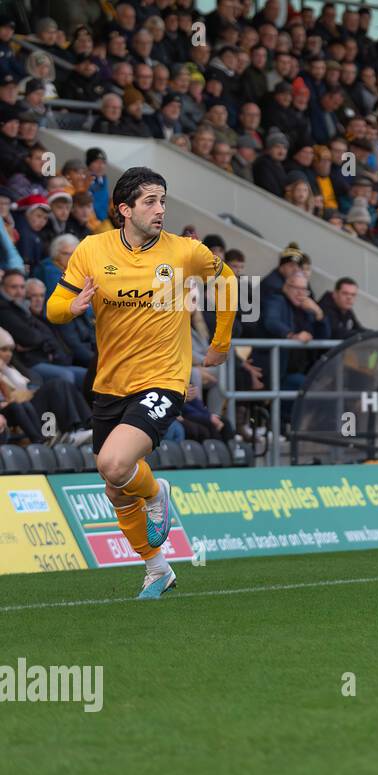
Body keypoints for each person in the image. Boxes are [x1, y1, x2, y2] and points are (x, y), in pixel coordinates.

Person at [46, 166, 236, 599]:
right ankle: (157, 569)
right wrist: (72, 307)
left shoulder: (186, 251)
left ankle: (156, 492)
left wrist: (221, 343)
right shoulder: (92, 250)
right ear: (123, 209)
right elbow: (53, 308)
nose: (160, 209)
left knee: (113, 464)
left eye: (163, 201)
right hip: (111, 382)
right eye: (150, 201)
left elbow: (226, 281)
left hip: (164, 378)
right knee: (115, 488)